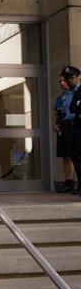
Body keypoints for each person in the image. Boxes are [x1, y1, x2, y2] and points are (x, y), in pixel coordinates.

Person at [61, 66, 81, 195]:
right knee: (74, 157)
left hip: (78, 124)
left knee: (79, 156)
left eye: (72, 78)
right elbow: (71, 108)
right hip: (70, 126)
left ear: (77, 77)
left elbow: (75, 108)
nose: (70, 81)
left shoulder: (79, 91)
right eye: (68, 79)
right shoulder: (67, 93)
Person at [53, 73, 74, 193]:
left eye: (63, 81)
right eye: (60, 81)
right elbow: (56, 112)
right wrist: (54, 124)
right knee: (65, 157)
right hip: (62, 129)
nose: (61, 83)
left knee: (73, 156)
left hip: (72, 128)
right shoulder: (60, 98)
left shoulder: (74, 95)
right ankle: (68, 181)